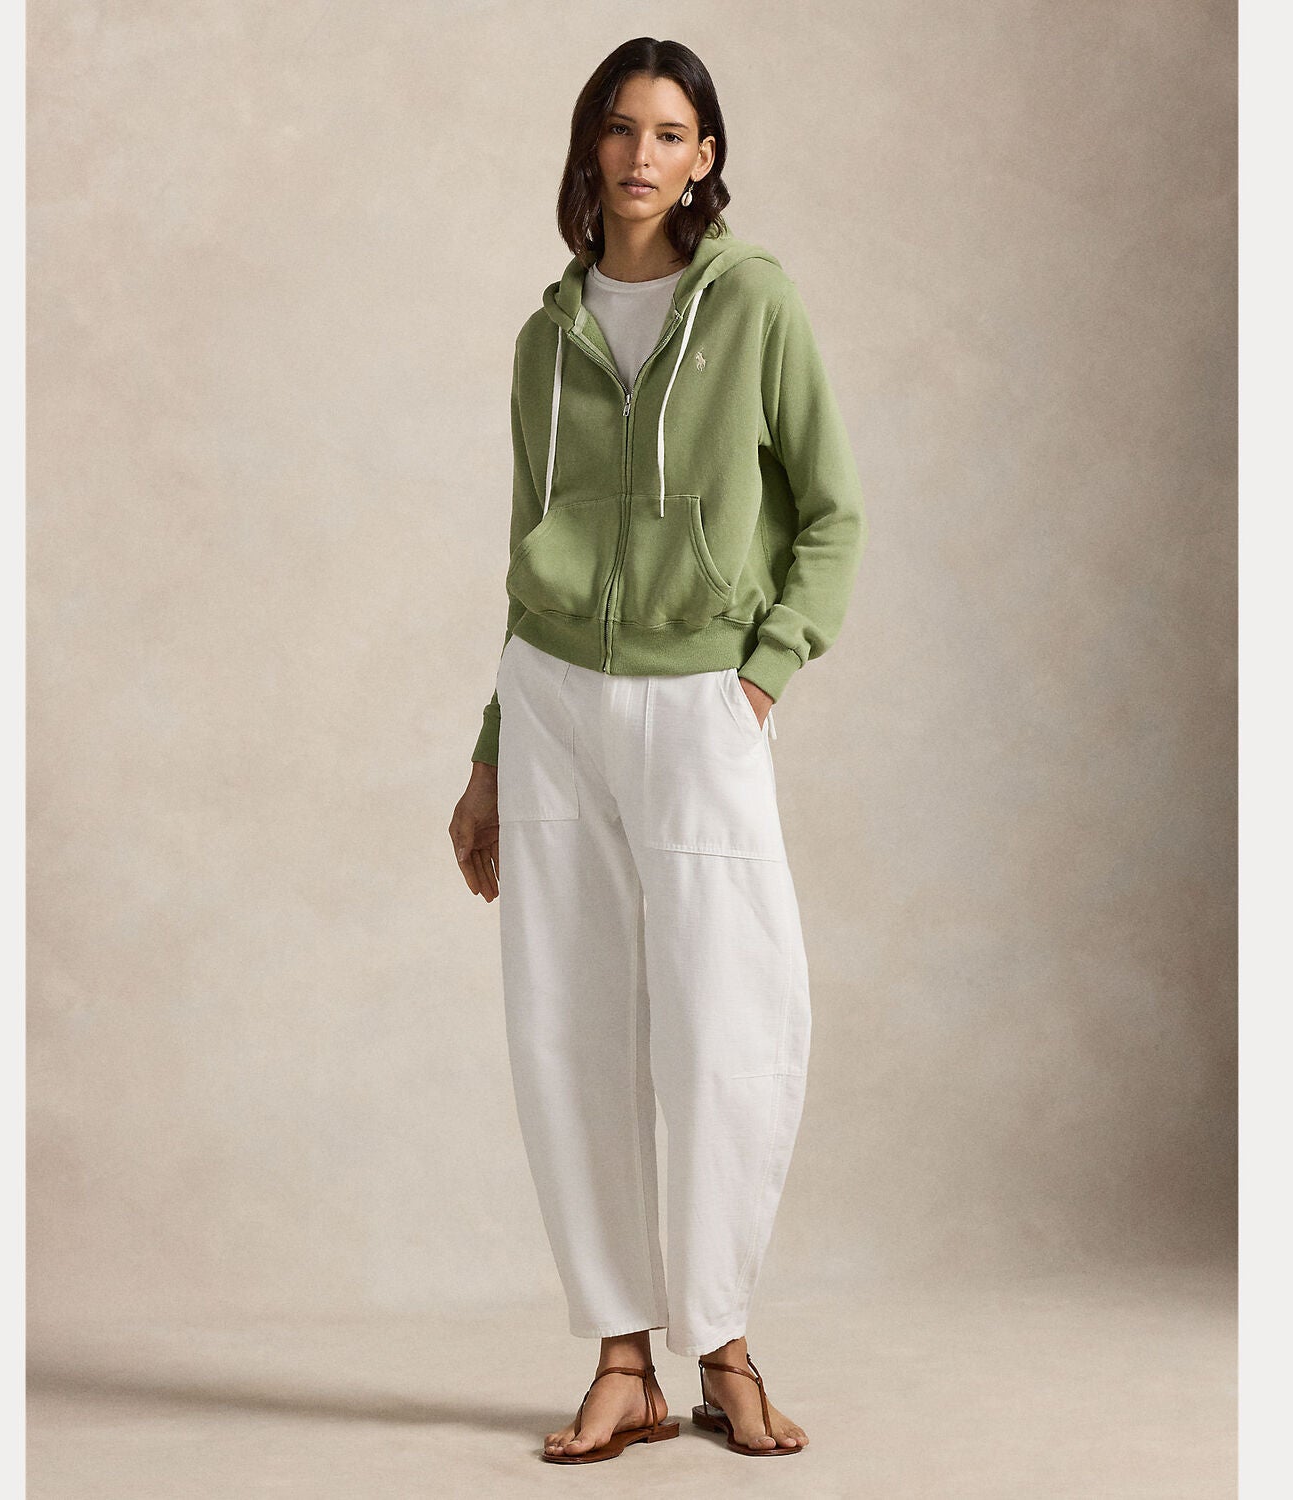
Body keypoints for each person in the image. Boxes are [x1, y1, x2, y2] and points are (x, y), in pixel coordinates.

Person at [448, 37, 867, 1465]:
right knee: (565, 1029)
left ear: (704, 158)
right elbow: (527, 556)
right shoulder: (544, 338)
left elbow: (832, 513)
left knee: (730, 1025)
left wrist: (760, 678)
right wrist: (491, 750)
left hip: (700, 702)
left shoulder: (753, 305)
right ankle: (622, 1358)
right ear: (592, 147)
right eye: (621, 128)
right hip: (552, 701)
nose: (641, 154)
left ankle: (723, 1342)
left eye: (670, 132)